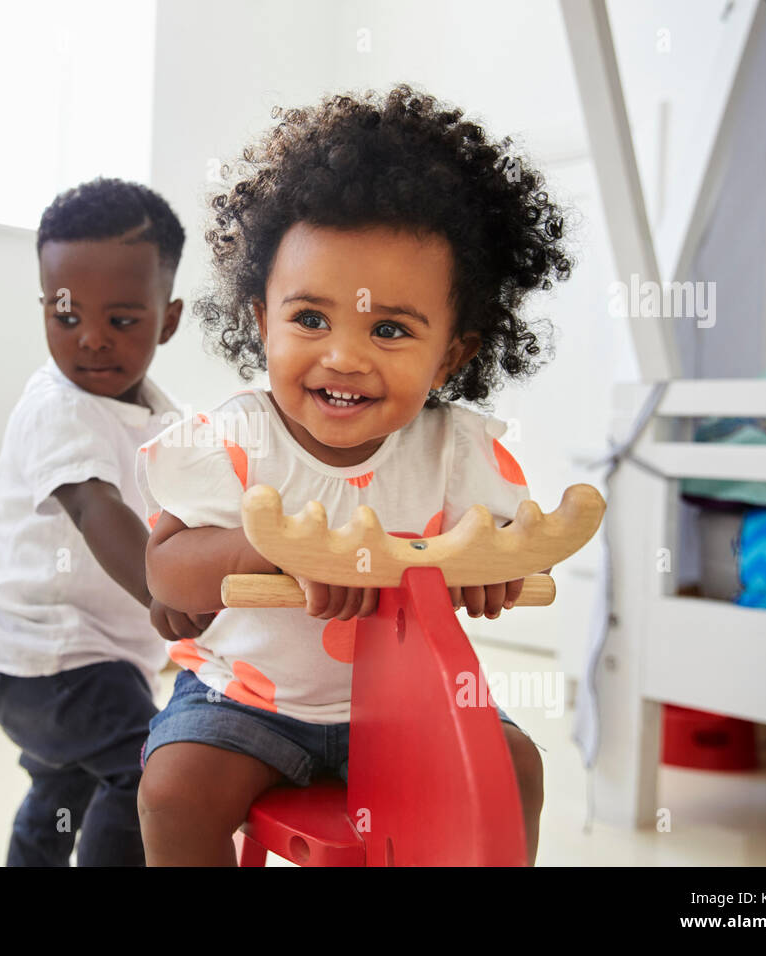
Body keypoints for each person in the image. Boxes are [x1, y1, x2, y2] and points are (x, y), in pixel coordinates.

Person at [135, 85, 572, 866]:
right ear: (259, 318)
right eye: (310, 318)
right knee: (174, 791)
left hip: (411, 704)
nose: (343, 355)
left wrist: (493, 571)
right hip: (251, 701)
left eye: (392, 329)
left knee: (515, 769)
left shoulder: (454, 450)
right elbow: (164, 568)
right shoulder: (236, 438)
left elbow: (504, 542)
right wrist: (269, 554)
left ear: (453, 353)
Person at [0, 177, 210, 866]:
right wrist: (167, 593)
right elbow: (95, 507)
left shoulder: (167, 415)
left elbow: (210, 491)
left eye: (122, 320)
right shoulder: (57, 409)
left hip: (94, 655)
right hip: (38, 658)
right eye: (65, 317)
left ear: (169, 319)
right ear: (44, 306)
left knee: (62, 786)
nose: (91, 340)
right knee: (143, 775)